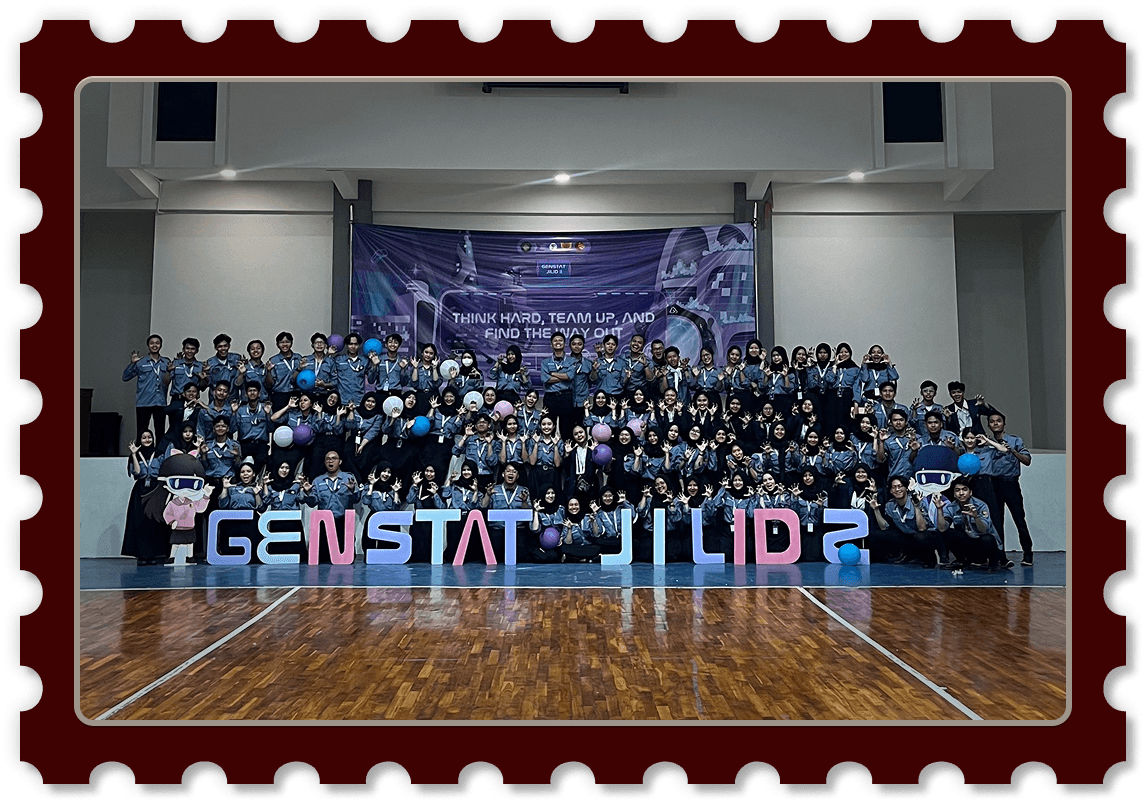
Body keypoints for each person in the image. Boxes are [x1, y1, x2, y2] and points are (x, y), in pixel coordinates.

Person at [977, 412, 1035, 565]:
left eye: (999, 421)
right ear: (988, 425)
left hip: (1011, 484)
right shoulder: (986, 443)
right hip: (993, 485)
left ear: (1004, 423)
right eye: (992, 421)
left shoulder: (1015, 440)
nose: (995, 423)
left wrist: (1013, 451)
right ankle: (1000, 556)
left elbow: (1027, 461)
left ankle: (1028, 553)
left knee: (1019, 520)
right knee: (997, 522)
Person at [934, 475, 1012, 571]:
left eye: (964, 489)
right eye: (957, 490)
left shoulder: (980, 505)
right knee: (948, 533)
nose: (961, 493)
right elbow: (942, 528)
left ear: (970, 492)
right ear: (954, 494)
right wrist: (939, 509)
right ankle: (962, 561)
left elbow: (984, 530)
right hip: (969, 545)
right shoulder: (951, 507)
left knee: (987, 538)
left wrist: (976, 517)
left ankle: (994, 563)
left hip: (983, 544)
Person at [300, 450, 360, 563]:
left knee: (345, 561)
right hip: (324, 525)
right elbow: (313, 502)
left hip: (343, 523)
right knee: (324, 560)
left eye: (333, 458)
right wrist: (308, 492)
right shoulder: (318, 481)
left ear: (340, 461)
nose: (330, 461)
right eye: (327, 459)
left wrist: (353, 490)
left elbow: (356, 499)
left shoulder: (348, 478)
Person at [870, 475, 940, 567]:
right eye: (894, 487)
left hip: (924, 535)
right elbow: (884, 527)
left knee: (921, 537)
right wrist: (876, 510)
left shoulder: (917, 501)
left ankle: (928, 560)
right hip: (905, 535)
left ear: (906, 488)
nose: (897, 489)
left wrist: (916, 507)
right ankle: (897, 557)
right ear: (890, 491)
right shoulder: (890, 505)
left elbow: (922, 528)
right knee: (876, 535)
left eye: (900, 486)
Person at [122, 430, 168, 566]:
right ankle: (141, 555)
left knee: (154, 522)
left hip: (155, 489)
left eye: (149, 437)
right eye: (144, 438)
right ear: (140, 440)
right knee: (139, 522)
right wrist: (134, 454)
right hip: (140, 490)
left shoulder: (159, 454)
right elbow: (137, 472)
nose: (147, 440)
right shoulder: (135, 455)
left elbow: (164, 471)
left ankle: (153, 554)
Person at [122, 334, 170, 439]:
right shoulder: (140, 362)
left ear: (161, 345)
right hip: (144, 402)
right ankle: (140, 450)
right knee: (141, 432)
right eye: (152, 343)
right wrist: (132, 363)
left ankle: (159, 450)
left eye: (157, 343)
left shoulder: (166, 362)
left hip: (160, 402)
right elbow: (125, 377)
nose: (154, 345)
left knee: (160, 433)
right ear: (148, 345)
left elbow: (168, 380)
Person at [217, 458, 264, 561]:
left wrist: (256, 494)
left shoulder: (257, 488)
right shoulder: (232, 488)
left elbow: (261, 508)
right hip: (233, 523)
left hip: (250, 523)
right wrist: (225, 488)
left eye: (248, 471)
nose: (245, 474)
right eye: (242, 472)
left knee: (252, 555)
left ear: (254, 474)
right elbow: (223, 505)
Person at [541, 332, 576, 440]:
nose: (558, 342)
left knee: (566, 428)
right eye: (555, 340)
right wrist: (563, 376)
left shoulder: (571, 360)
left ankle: (566, 450)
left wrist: (552, 374)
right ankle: (548, 450)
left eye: (560, 340)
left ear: (564, 344)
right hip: (550, 397)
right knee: (548, 427)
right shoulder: (545, 362)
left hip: (566, 397)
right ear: (551, 345)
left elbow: (570, 376)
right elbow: (545, 379)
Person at [231, 382, 272, 474]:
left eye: (254, 391)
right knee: (242, 471)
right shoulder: (240, 410)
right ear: (246, 394)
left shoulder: (265, 408)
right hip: (245, 445)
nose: (252, 393)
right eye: (250, 391)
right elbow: (233, 429)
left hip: (261, 444)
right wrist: (233, 413)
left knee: (261, 470)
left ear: (259, 394)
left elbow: (271, 429)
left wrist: (268, 415)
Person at [335, 333, 378, 405]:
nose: (353, 347)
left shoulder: (365, 361)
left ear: (359, 345)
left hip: (359, 400)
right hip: (342, 400)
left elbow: (371, 380)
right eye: (350, 344)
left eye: (356, 344)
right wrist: (329, 354)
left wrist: (374, 365)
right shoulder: (338, 359)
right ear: (346, 345)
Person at [266, 331, 300, 411]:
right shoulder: (273, 360)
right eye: (281, 342)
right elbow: (270, 384)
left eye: (287, 342)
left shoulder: (298, 358)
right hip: (280, 395)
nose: (284, 344)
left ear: (291, 343)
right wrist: (268, 372)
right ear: (277, 344)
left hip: (296, 394)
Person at [165, 338, 206, 403]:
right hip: (177, 399)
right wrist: (168, 371)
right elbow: (166, 382)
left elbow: (203, 388)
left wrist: (203, 379)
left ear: (197, 351)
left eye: (192, 349)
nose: (189, 351)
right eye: (187, 348)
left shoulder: (200, 366)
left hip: (193, 400)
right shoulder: (175, 363)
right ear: (183, 349)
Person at [206, 334, 242, 400]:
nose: (223, 348)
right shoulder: (211, 362)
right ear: (215, 348)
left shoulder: (236, 358)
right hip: (216, 399)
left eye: (225, 346)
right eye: (220, 346)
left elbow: (239, 380)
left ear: (229, 346)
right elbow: (209, 382)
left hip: (232, 398)